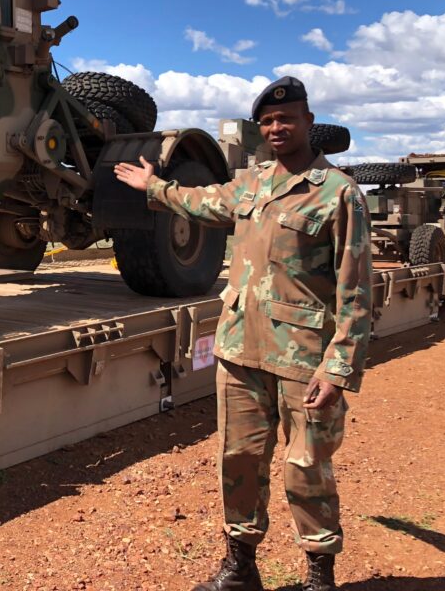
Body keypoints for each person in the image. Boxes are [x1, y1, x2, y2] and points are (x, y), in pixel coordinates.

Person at [113, 76, 372, 591]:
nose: (277, 128)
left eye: (287, 119)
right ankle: (241, 568)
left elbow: (357, 292)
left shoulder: (338, 193)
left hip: (305, 360)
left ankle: (319, 575)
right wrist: (156, 188)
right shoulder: (251, 185)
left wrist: (338, 369)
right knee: (239, 461)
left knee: (306, 468)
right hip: (240, 350)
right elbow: (205, 202)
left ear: (308, 123)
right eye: (269, 122)